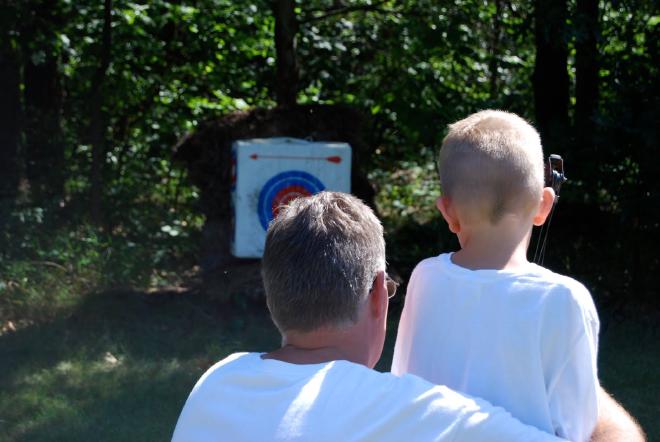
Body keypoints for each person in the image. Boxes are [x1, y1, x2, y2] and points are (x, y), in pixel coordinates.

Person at [172, 191, 644, 442]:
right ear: (379, 293)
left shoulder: (217, 382)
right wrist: (570, 372)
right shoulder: (406, 412)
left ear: (273, 296)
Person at [391, 110, 600, 441]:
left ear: (447, 212)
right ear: (544, 205)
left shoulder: (425, 278)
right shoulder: (564, 298)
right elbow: (577, 426)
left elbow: (403, 383)